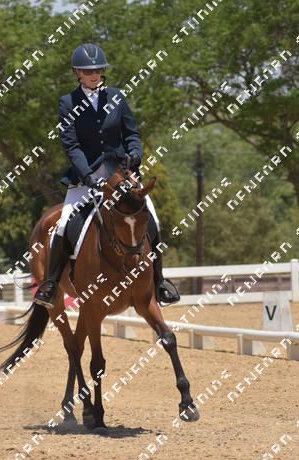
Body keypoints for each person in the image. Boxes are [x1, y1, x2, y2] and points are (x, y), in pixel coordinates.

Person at [33, 42, 180, 309]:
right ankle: (51, 283)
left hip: (120, 174)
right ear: (77, 72)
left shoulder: (116, 97)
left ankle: (159, 282)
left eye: (98, 70)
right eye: (88, 71)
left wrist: (135, 154)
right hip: (85, 177)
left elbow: (132, 134)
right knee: (65, 224)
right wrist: (87, 174)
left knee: (152, 219)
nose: (94, 75)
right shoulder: (68, 103)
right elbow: (71, 145)